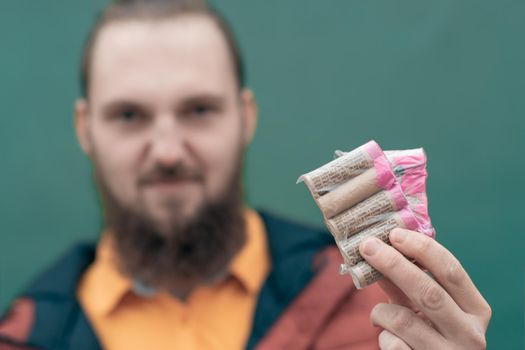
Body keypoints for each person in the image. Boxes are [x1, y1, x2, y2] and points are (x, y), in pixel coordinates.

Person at [0, 0, 491, 349]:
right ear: (85, 129)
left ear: (245, 116)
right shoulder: (25, 335)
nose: (168, 151)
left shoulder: (376, 312)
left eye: (199, 109)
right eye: (129, 115)